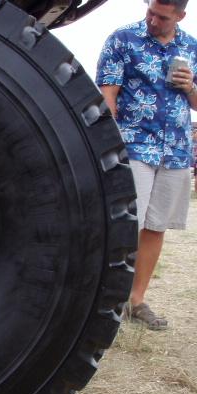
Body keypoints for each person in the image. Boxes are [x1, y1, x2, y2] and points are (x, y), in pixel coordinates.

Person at [96, 0, 197, 330]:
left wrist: (190, 87)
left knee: (156, 226)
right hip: (134, 147)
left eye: (162, 17)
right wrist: (108, 144)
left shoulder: (192, 47)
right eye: (151, 11)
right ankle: (104, 300)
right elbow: (107, 95)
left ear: (180, 16)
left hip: (176, 151)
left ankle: (135, 301)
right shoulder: (123, 39)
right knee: (125, 225)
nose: (152, 20)